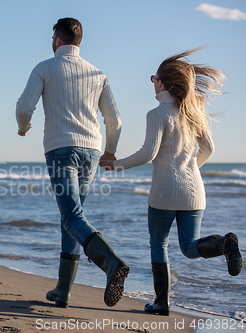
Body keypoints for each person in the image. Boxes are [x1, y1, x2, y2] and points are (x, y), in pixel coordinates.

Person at [100, 47, 243, 316]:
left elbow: (148, 153)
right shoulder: (193, 113)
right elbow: (209, 149)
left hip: (164, 193)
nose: (153, 83)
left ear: (163, 83)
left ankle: (162, 303)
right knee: (189, 247)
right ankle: (223, 244)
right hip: (194, 192)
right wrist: (189, 170)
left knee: (159, 245)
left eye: (154, 78)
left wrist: (115, 165)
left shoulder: (157, 114)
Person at [16, 17, 128, 308]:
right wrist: (110, 151)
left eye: (52, 37)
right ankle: (63, 290)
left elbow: (24, 106)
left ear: (57, 39)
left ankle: (111, 262)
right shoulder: (97, 73)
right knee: (73, 217)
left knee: (71, 217)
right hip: (91, 151)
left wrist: (22, 127)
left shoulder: (45, 67)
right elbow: (114, 120)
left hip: (60, 149)